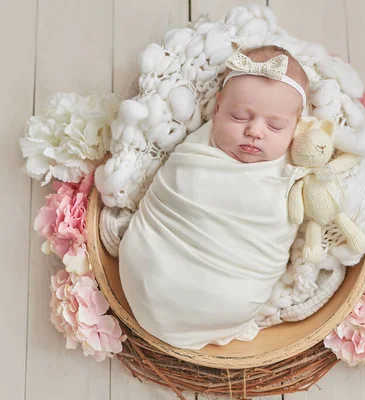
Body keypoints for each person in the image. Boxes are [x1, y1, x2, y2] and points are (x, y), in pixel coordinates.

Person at [118, 45, 311, 350]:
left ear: (298, 127)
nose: (254, 131)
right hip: (155, 264)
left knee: (228, 295)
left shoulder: (293, 165)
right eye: (239, 116)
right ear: (218, 108)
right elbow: (172, 190)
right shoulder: (197, 149)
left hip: (232, 285)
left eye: (275, 126)